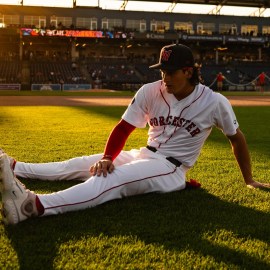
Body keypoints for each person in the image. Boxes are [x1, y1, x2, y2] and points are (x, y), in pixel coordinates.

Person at [0, 44, 269, 226]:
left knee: (111, 181)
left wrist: (249, 180)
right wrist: (108, 156)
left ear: (188, 71)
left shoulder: (214, 102)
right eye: (161, 71)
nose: (164, 78)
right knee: (80, 164)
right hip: (143, 154)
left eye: (170, 72)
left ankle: (33, 206)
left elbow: (237, 138)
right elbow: (124, 127)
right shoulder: (151, 90)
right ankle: (14, 167)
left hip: (170, 169)